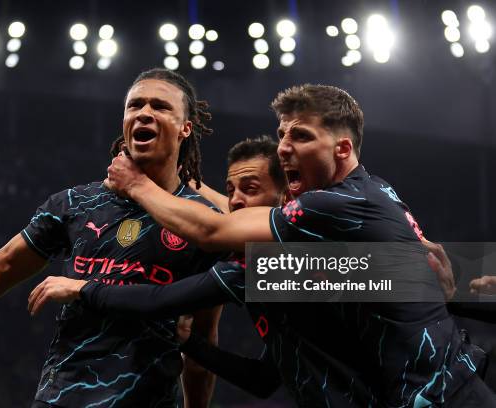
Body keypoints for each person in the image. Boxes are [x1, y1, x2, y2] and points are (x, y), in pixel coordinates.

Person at [104, 84, 494, 407]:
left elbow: (212, 232)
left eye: (300, 135)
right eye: (282, 136)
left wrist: (140, 186)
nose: (284, 147)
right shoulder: (369, 203)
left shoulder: (286, 259)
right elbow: (265, 377)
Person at [0, 68, 224, 408]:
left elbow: (202, 343)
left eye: (160, 106)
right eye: (135, 105)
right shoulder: (74, 204)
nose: (144, 113)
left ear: (185, 127)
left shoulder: (202, 221)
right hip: (62, 399)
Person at [29, 135, 289, 399]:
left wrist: (83, 288)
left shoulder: (296, 264)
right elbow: (263, 380)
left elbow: (159, 299)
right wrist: (189, 342)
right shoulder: (255, 268)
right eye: (231, 190)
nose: (234, 201)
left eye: (251, 188)